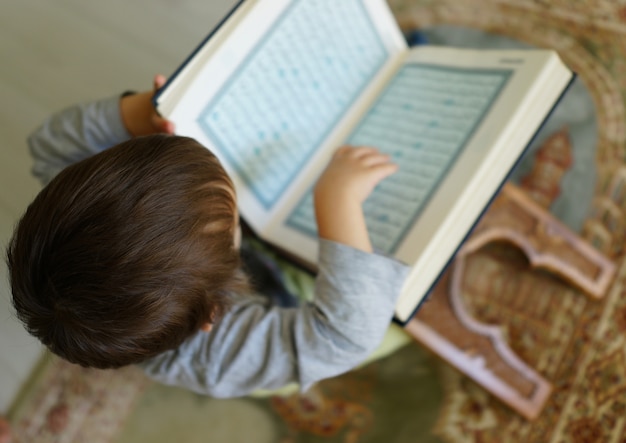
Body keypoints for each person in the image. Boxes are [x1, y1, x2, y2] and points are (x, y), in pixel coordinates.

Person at [6, 75, 409, 397]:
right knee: (402, 297)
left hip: (203, 279)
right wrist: (337, 199)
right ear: (213, 312)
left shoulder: (77, 208)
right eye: (233, 219)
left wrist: (142, 115)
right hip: (292, 316)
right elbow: (346, 336)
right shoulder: (220, 355)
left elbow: (50, 145)